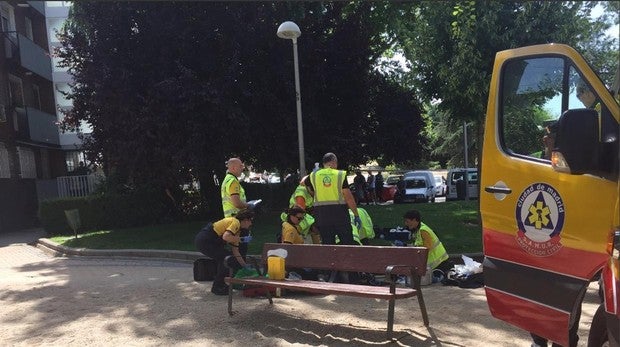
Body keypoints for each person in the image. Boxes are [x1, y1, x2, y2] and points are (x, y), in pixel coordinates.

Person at [194, 209, 255, 295]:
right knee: (227, 259)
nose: (251, 224)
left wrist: (244, 266)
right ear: (245, 220)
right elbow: (226, 237)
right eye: (250, 221)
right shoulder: (235, 222)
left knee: (229, 258)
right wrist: (242, 239)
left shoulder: (237, 231)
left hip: (207, 240)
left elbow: (236, 252)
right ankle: (218, 287)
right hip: (206, 240)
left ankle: (220, 285)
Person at [305, 152, 361, 245]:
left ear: (323, 163)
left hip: (322, 216)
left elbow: (304, 183)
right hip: (340, 214)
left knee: (327, 245)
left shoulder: (314, 175)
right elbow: (348, 197)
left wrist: (314, 193)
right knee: (347, 243)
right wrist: (356, 214)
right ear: (334, 162)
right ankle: (346, 259)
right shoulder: (339, 174)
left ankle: (330, 260)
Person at [279, 176, 321, 244]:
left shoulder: (308, 190)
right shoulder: (301, 194)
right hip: (295, 220)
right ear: (309, 187)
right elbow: (300, 212)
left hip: (299, 219)